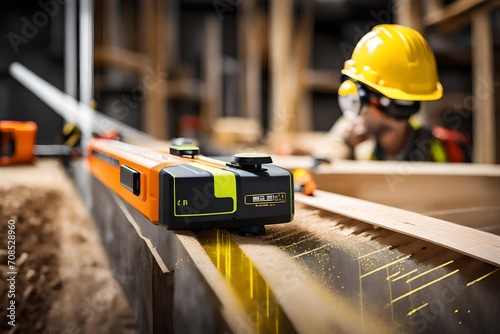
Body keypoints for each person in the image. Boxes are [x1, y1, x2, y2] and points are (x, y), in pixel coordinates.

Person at [313, 24, 471, 162]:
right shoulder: (361, 141)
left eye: (359, 99)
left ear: (385, 106)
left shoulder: (450, 152)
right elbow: (335, 142)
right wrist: (333, 151)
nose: (356, 112)